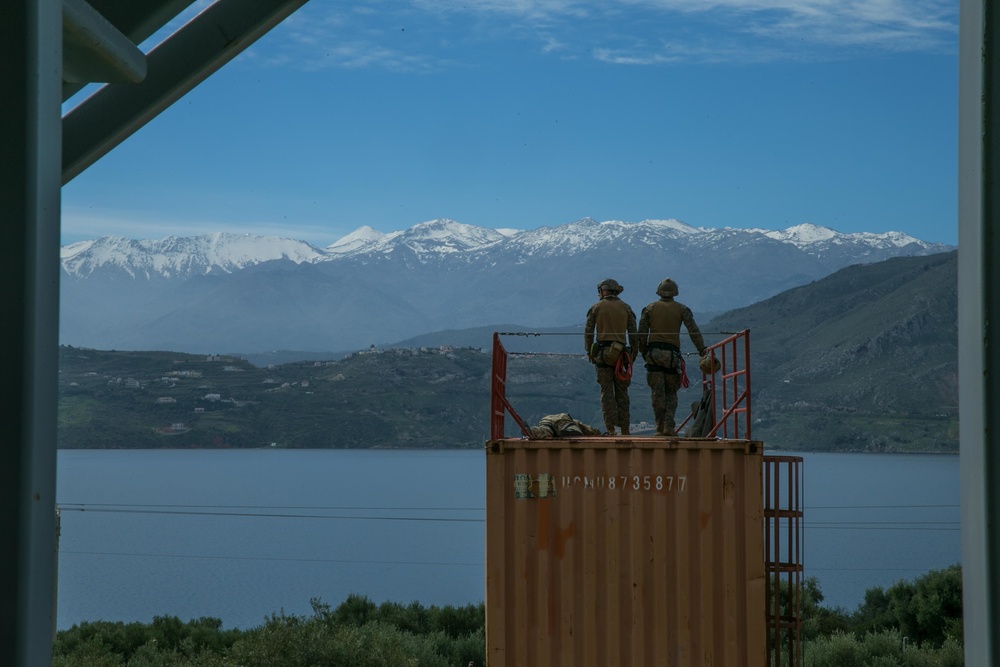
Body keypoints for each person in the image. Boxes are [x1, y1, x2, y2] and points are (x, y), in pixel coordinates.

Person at [635, 278, 708, 437]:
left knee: (657, 393)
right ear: (675, 292)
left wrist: (644, 352)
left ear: (659, 291)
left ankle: (660, 428)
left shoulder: (649, 309)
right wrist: (701, 348)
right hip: (672, 356)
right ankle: (669, 426)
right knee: (671, 393)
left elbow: (641, 333)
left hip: (653, 355)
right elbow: (693, 331)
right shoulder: (682, 309)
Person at [584, 278, 637, 436]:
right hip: (621, 356)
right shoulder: (626, 308)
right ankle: (625, 430)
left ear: (604, 291)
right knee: (622, 393)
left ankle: (611, 429)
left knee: (606, 392)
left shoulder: (596, 307)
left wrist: (589, 352)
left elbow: (588, 332)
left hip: (602, 354)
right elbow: (634, 335)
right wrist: (632, 355)